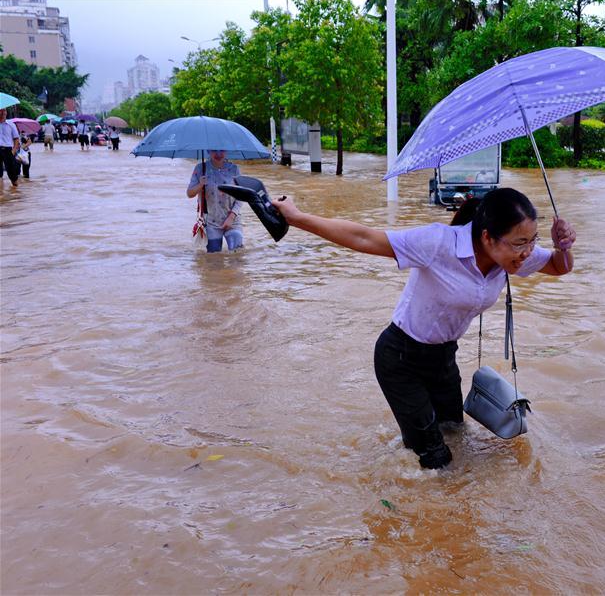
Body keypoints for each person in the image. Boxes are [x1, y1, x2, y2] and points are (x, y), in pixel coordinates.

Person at [270, 188, 576, 469]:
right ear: (487, 237)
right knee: (434, 458)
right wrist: (296, 218)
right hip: (401, 359)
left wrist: (563, 247)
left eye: (533, 240)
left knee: (455, 434)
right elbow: (364, 237)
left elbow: (558, 266)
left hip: (444, 359)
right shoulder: (438, 242)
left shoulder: (514, 256)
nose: (527, 252)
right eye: (520, 243)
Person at [186, 150, 243, 252]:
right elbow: (190, 193)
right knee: (214, 259)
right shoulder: (200, 169)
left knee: (237, 255)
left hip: (233, 220)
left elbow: (241, 196)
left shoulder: (234, 169)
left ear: (226, 150)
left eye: (221, 150)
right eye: (214, 150)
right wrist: (200, 185)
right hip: (211, 222)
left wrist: (231, 216)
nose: (218, 154)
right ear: (208, 151)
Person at [0, 108, 21, 187]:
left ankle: (15, 192)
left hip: (8, 150)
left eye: (4, 110)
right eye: (0, 111)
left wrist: (14, 150)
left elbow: (16, 138)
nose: (2, 113)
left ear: (6, 112)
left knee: (12, 174)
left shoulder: (11, 124)